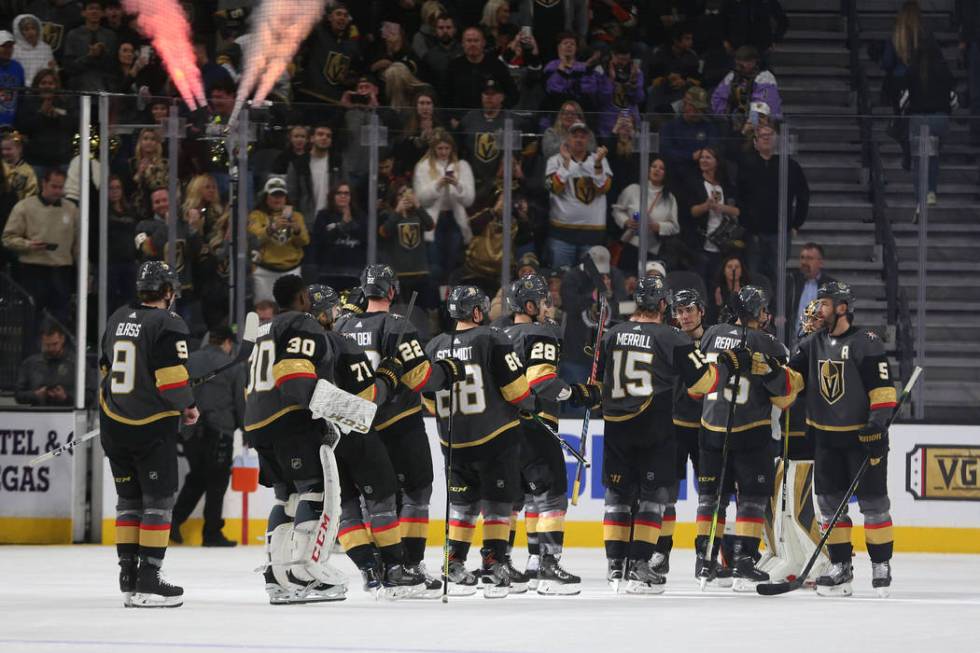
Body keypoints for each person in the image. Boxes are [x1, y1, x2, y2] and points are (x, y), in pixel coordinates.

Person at [244, 275, 422, 604]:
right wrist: (388, 378)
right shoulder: (321, 335)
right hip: (310, 427)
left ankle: (278, 573)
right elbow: (362, 398)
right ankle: (305, 573)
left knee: (288, 499)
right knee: (326, 494)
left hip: (259, 422)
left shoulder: (264, 330)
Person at [582, 274, 719, 593]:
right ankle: (640, 565)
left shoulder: (613, 333)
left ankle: (616, 566)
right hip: (654, 425)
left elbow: (597, 382)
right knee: (652, 497)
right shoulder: (672, 338)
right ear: (662, 305)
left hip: (615, 427)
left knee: (616, 497)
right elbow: (703, 384)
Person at [334, 265, 459, 597]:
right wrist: (445, 373)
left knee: (370, 501)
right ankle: (409, 567)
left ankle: (374, 569)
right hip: (399, 422)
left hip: (358, 427)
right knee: (416, 494)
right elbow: (419, 378)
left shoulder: (341, 326)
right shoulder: (397, 324)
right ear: (391, 292)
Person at [98, 261, 200, 608]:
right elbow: (171, 378)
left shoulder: (116, 317)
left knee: (129, 501)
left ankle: (128, 576)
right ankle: (148, 579)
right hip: (150, 427)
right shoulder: (168, 322)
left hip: (114, 424)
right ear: (168, 292)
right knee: (158, 502)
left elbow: (105, 368)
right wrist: (188, 404)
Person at [424, 285, 536, 597]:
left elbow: (429, 400)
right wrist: (529, 405)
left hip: (454, 442)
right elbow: (516, 390)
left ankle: (453, 561)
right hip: (494, 436)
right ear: (476, 311)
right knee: (498, 505)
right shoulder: (493, 338)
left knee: (463, 506)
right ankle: (493, 563)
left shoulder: (434, 345)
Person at [787, 281, 898, 597]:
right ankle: (840, 567)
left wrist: (877, 424)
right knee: (829, 506)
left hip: (862, 439)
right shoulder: (811, 344)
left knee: (874, 505)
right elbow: (791, 379)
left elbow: (883, 390)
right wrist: (766, 369)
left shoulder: (867, 342)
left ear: (842, 307)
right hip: (825, 439)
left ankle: (881, 565)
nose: (817, 309)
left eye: (824, 303)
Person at [695, 285, 802, 591]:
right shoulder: (768, 343)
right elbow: (783, 397)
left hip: (711, 425)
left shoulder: (712, 333)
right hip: (750, 428)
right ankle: (743, 560)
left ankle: (704, 560)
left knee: (711, 498)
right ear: (757, 312)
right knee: (752, 498)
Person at [503, 274, 582, 595]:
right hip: (536, 424)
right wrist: (577, 393)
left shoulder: (496, 333)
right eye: (545, 301)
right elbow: (541, 381)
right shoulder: (542, 333)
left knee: (516, 500)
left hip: (502, 429)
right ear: (530, 305)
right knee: (550, 496)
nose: (550, 307)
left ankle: (516, 564)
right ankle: (549, 567)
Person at [647, 288, 708, 576]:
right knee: (665, 495)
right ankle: (661, 551)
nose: (684, 316)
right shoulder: (668, 341)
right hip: (673, 427)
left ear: (701, 311)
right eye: (679, 311)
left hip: (709, 429)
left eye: (689, 310)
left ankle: (705, 554)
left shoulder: (715, 341)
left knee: (709, 496)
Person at [170, 327, 244, 548]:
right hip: (220, 430)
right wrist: (246, 428)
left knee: (198, 477)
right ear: (228, 343)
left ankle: (173, 521)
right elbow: (239, 401)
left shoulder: (189, 360)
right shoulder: (233, 364)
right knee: (217, 481)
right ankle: (211, 533)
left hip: (190, 431)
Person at [2, 168, 78, 326]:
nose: (57, 191)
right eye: (54, 186)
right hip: (33, 269)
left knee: (61, 318)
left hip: (61, 269)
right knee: (32, 317)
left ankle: (60, 350)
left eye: (61, 187)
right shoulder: (25, 207)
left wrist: (83, 271)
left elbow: (78, 245)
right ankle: (32, 350)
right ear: (44, 183)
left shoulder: (72, 210)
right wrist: (28, 244)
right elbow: (7, 238)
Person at [738, 125, 809, 285]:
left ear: (776, 139)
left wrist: (796, 224)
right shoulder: (747, 165)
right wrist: (745, 223)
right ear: (755, 142)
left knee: (777, 278)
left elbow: (803, 195)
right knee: (753, 276)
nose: (766, 138)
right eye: (762, 135)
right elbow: (739, 197)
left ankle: (776, 309)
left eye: (769, 134)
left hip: (780, 232)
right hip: (754, 233)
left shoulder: (789, 166)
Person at [544, 122, 612, 268]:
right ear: (567, 139)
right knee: (560, 281)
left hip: (592, 235)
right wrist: (567, 164)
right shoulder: (555, 160)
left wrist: (598, 165)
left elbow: (604, 188)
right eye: (575, 136)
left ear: (588, 139)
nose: (579, 139)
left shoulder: (600, 159)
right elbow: (554, 188)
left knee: (590, 282)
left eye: (583, 136)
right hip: (562, 235)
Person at [412, 128, 474, 284]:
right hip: (433, 222)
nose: (443, 152)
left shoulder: (462, 166)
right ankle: (435, 304)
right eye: (440, 148)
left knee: (452, 263)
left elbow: (469, 200)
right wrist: (438, 184)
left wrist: (457, 185)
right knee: (435, 265)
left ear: (452, 148)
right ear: (434, 149)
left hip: (454, 219)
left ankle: (450, 301)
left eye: (447, 148)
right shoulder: (423, 167)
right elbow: (421, 200)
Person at [612, 156, 680, 275]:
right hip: (629, 245)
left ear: (666, 173)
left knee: (645, 287)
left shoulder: (669, 198)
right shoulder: (633, 189)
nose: (657, 170)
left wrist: (657, 226)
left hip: (652, 251)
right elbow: (617, 210)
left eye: (661, 168)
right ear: (648, 170)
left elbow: (674, 227)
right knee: (626, 283)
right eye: (654, 166)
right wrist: (626, 221)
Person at [248, 176, 310, 303]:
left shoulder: (296, 216)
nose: (278, 199)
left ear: (286, 197)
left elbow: (305, 241)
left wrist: (297, 230)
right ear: (266, 197)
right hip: (264, 272)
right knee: (264, 312)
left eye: (281, 195)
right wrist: (273, 228)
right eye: (274, 195)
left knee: (292, 311)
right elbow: (256, 239)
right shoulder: (256, 216)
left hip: (292, 271)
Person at [686, 146, 740, 286]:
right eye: (702, 157)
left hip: (723, 244)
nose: (703, 160)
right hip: (701, 244)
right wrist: (706, 206)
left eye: (708, 157)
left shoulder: (726, 184)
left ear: (717, 161)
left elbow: (736, 211)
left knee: (718, 285)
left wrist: (721, 207)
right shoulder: (695, 183)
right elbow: (691, 211)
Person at [295, 2, 363, 107]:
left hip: (335, 101)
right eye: (338, 14)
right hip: (309, 95)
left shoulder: (351, 45)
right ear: (330, 17)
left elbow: (356, 72)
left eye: (345, 15)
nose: (342, 18)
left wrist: (348, 80)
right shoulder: (317, 33)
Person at [378, 183, 435, 308]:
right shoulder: (388, 215)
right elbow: (384, 232)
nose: (406, 197)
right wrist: (398, 212)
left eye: (409, 193)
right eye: (402, 194)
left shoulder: (418, 215)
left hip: (420, 271)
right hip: (399, 274)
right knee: (401, 311)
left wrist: (418, 206)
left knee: (420, 311)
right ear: (395, 198)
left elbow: (430, 225)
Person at [446, 27, 518, 116]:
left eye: (476, 41)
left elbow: (513, 94)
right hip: (461, 120)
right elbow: (445, 96)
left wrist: (499, 113)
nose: (472, 44)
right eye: (468, 41)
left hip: (490, 119)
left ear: (483, 43)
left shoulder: (497, 66)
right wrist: (452, 117)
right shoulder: (453, 66)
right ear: (462, 44)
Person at [286, 124, 341, 237]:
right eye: (320, 134)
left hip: (332, 220)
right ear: (311, 138)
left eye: (328, 136)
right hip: (307, 221)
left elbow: (346, 190)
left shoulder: (338, 162)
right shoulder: (298, 164)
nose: (324, 138)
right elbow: (292, 196)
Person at [310, 182, 366, 290]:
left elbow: (365, 240)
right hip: (328, 272)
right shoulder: (323, 216)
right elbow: (320, 241)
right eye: (339, 193)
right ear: (332, 196)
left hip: (354, 273)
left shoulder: (360, 216)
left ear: (351, 197)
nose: (343, 196)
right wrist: (342, 226)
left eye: (346, 193)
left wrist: (351, 224)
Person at [15, 321, 86, 406]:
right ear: (42, 341)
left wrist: (66, 397)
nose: (51, 348)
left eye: (55, 344)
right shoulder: (30, 364)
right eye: (47, 345)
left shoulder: (77, 364)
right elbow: (18, 395)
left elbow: (90, 395)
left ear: (62, 339)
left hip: (68, 415)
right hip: (37, 414)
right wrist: (35, 395)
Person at [786, 242, 836, 345]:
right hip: (792, 343)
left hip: (820, 344)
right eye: (802, 258)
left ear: (820, 262)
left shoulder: (830, 286)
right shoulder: (791, 282)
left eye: (809, 258)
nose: (804, 262)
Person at [645, 23, 701, 114]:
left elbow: (697, 80)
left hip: (683, 88)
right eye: (687, 39)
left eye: (691, 39)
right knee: (652, 90)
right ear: (676, 40)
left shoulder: (692, 56)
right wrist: (668, 78)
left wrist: (684, 81)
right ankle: (651, 121)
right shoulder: (660, 53)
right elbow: (652, 78)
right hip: (662, 87)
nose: (691, 42)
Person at [62, 1, 117, 91]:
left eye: (97, 9)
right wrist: (89, 57)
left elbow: (113, 67)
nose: (94, 11)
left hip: (104, 88)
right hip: (78, 88)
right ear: (83, 13)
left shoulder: (110, 36)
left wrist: (102, 53)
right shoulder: (73, 35)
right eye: (91, 8)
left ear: (103, 13)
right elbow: (69, 67)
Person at [595, 40, 644, 138]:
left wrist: (633, 83)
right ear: (612, 55)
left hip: (630, 125)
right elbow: (600, 100)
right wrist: (610, 81)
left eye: (626, 59)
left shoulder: (636, 71)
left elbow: (639, 99)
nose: (623, 63)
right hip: (607, 127)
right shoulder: (600, 71)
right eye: (620, 59)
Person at [418, 13, 461, 107]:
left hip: (461, 104)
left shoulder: (464, 52)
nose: (445, 31)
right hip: (438, 105)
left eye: (448, 27)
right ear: (435, 31)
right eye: (441, 28)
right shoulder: (428, 56)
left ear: (455, 30)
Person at [12, 14, 55, 88]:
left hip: (41, 89)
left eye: (33, 28)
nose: (30, 32)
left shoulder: (46, 48)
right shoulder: (14, 49)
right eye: (26, 29)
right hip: (20, 88)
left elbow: (49, 71)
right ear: (20, 32)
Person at [2, 131, 39, 201]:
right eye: (2, 149)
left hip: (19, 209)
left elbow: (31, 196)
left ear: (19, 149)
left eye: (8, 149)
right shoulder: (1, 167)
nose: (4, 152)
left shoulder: (28, 172)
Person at [0, 30, 25, 126]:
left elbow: (22, 95)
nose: (7, 49)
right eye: (3, 46)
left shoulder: (18, 67)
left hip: (11, 122)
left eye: (10, 46)